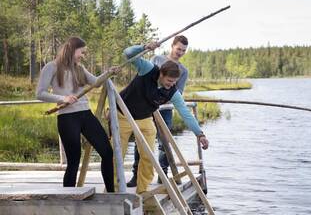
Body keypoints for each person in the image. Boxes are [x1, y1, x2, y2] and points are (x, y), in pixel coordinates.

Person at [117, 41, 209, 194]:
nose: (171, 84)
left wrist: (200, 134)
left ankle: (142, 192)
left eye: (174, 82)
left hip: (145, 118)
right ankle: (114, 189)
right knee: (118, 153)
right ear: (161, 74)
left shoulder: (172, 91)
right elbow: (127, 53)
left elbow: (185, 113)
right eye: (169, 81)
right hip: (123, 114)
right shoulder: (148, 69)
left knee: (148, 156)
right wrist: (144, 47)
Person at [36, 36, 114, 192]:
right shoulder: (51, 67)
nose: (82, 56)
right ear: (72, 49)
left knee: (107, 151)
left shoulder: (79, 68)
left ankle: (111, 193)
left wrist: (109, 73)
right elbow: (40, 93)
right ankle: (69, 197)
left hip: (85, 114)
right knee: (73, 161)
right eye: (82, 52)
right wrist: (62, 98)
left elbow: (96, 82)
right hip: (67, 117)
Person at [127, 35, 189, 187]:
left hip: (165, 109)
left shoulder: (183, 70)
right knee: (140, 141)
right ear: (172, 46)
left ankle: (163, 175)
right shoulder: (157, 59)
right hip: (146, 109)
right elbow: (145, 80)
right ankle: (136, 175)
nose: (180, 52)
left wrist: (162, 98)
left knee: (164, 143)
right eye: (178, 48)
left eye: (183, 50)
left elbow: (177, 92)